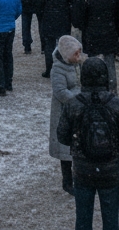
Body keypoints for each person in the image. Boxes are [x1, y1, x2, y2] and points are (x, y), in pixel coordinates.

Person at [56, 58, 119, 230]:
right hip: (110, 171)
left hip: (83, 170)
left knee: (83, 220)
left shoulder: (73, 104)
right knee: (110, 221)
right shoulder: (116, 104)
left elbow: (62, 136)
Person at [73, 0, 119, 90]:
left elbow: (80, 18)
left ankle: (90, 85)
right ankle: (112, 87)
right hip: (109, 32)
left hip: (91, 34)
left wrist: (83, 27)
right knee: (110, 62)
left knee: (91, 62)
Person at [49, 35, 85, 195]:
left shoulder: (74, 65)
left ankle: (76, 179)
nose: (79, 57)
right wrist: (80, 98)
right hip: (64, 113)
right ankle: (67, 182)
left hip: (75, 112)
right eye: (76, 54)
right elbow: (60, 92)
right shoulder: (57, 69)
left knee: (75, 147)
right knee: (65, 150)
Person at [39, 0, 75, 77]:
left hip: (48, 16)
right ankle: (63, 67)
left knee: (49, 44)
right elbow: (72, 2)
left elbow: (40, 2)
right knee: (63, 43)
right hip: (63, 17)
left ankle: (49, 68)